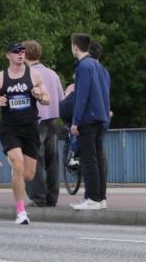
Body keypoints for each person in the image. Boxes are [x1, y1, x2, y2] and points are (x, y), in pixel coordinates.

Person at [0, 41, 50, 225]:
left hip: (30, 128)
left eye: (22, 51)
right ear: (8, 55)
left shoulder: (34, 75)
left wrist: (39, 94)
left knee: (28, 174)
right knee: (17, 163)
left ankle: (16, 177)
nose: (20, 54)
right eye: (16, 52)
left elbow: (47, 99)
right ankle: (21, 211)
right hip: (10, 128)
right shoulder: (0, 77)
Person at [69, 33, 110, 210]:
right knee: (99, 159)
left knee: (88, 159)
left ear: (75, 47)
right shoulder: (99, 66)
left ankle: (92, 198)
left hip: (88, 118)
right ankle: (101, 198)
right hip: (101, 117)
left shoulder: (83, 66)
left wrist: (75, 121)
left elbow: (81, 96)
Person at [23, 40, 64, 207]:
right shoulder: (52, 74)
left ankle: (38, 197)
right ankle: (52, 197)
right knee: (52, 160)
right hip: (51, 121)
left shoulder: (26, 75)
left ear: (24, 54)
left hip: (33, 122)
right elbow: (61, 99)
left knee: (34, 160)